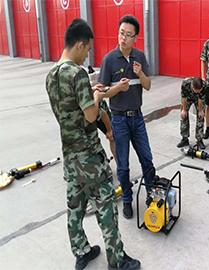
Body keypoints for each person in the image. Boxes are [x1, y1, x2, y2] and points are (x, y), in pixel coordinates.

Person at [45, 19, 140, 270]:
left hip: (70, 156)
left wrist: (94, 93)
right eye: (87, 50)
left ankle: (82, 251)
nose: (87, 54)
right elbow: (89, 115)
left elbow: (70, 110)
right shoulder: (76, 74)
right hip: (89, 157)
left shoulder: (51, 75)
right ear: (79, 44)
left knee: (75, 207)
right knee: (106, 206)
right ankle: (117, 260)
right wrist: (96, 96)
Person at [98, 15, 155, 220]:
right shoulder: (109, 59)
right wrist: (116, 88)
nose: (123, 38)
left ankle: (151, 194)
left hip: (138, 118)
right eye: (121, 33)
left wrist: (140, 74)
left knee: (147, 159)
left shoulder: (140, 57)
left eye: (128, 35)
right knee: (122, 165)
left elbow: (147, 85)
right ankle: (128, 200)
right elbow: (101, 92)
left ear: (135, 38)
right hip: (119, 119)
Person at [177, 77, 206, 149]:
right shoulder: (185, 83)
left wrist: (200, 110)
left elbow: (201, 99)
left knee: (200, 117)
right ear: (192, 86)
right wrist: (184, 110)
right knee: (183, 116)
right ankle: (184, 138)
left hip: (198, 100)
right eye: (195, 90)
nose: (197, 92)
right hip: (188, 99)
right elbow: (183, 97)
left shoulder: (204, 85)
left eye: (199, 91)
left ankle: (199, 140)